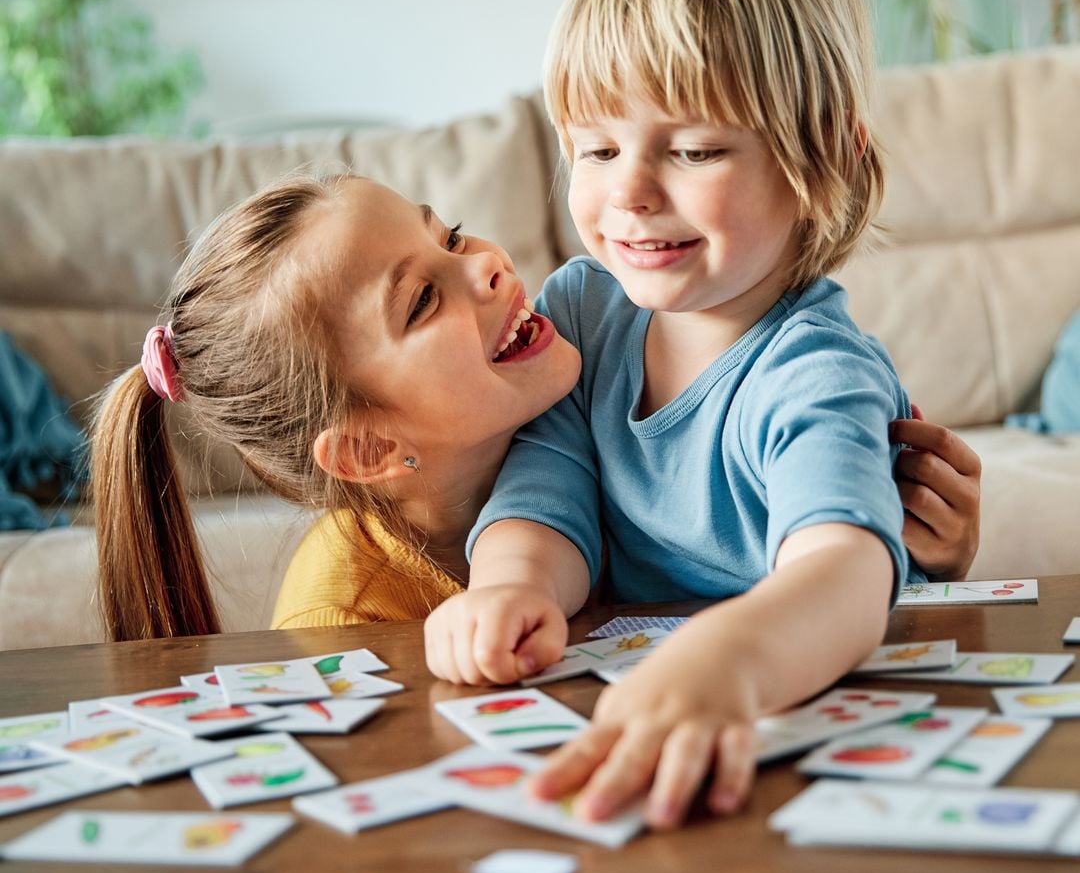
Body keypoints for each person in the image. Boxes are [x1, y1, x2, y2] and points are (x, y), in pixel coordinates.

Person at [422, 0, 979, 830]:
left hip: (787, 722)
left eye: (692, 149)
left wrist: (726, 663)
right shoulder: (581, 310)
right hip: (630, 716)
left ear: (824, 162)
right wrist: (512, 585)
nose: (630, 192)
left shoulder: (817, 365)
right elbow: (548, 487)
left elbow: (841, 569)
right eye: (596, 148)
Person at [91, 169, 978, 644]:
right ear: (364, 449)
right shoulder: (345, 613)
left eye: (449, 234)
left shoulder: (612, 377)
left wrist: (918, 552)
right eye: (422, 301)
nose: (486, 265)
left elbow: (784, 571)